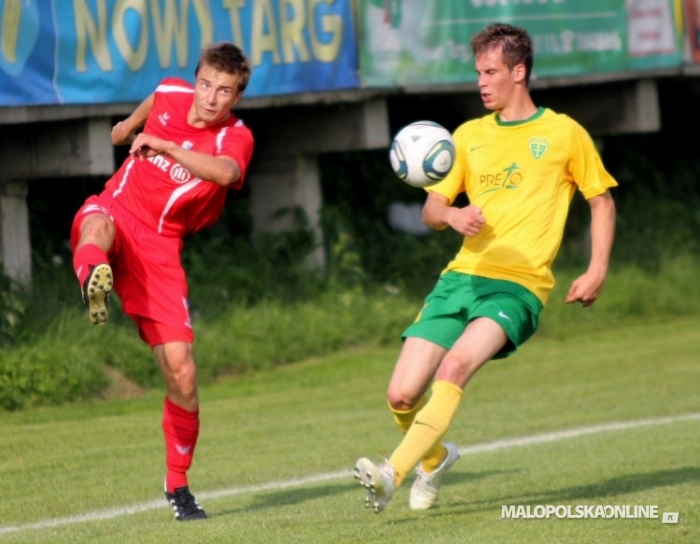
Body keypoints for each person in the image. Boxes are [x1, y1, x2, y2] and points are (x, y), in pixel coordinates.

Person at [354, 23, 617, 514]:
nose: (482, 82)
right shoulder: (468, 136)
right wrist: (452, 214)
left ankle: (392, 472)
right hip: (461, 278)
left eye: (491, 71)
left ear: (519, 72)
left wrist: (596, 268)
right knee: (401, 395)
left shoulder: (562, 133)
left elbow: (601, 202)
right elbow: (431, 211)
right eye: (478, 72)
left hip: (518, 287)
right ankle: (433, 460)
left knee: (454, 367)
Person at [70, 42, 254, 521]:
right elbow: (157, 95)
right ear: (196, 79)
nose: (211, 98)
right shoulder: (173, 90)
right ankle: (94, 276)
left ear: (236, 97)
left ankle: (178, 484)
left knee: (183, 374)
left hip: (160, 246)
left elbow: (228, 172)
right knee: (95, 226)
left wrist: (169, 145)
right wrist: (128, 127)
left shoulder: (235, 138)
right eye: (207, 84)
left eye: (225, 92)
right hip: (119, 208)